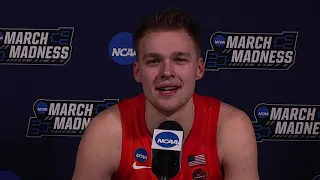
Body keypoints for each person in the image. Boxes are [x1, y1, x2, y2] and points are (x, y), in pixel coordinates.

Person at [72, 7, 259, 180]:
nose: (167, 72)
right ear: (137, 71)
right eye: (153, 61)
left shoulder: (232, 128)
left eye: (179, 59)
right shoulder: (106, 131)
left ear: (199, 69)